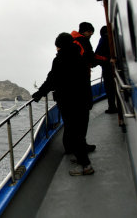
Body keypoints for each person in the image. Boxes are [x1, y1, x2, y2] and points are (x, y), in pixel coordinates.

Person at [32, 32, 94, 176]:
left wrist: (39, 94)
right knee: (80, 131)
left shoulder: (60, 60)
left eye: (57, 47)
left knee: (73, 132)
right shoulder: (81, 57)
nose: (56, 49)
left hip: (69, 102)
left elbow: (51, 79)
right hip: (84, 100)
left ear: (59, 46)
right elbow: (86, 80)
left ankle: (85, 165)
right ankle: (81, 158)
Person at [95, 26, 118, 113]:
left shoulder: (103, 39)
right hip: (113, 67)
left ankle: (112, 107)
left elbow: (97, 55)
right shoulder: (113, 38)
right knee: (113, 87)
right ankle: (114, 106)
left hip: (107, 68)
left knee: (110, 88)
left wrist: (105, 61)